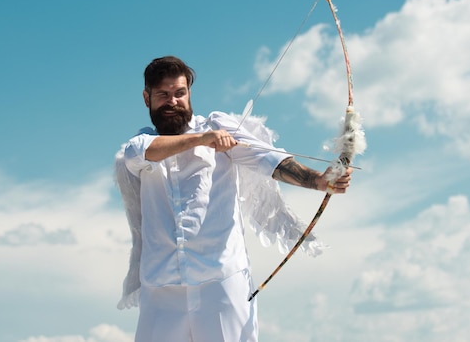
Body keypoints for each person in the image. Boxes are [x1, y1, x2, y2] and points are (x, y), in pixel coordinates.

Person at [114, 56, 352, 342]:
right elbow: (141, 153)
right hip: (162, 291)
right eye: (163, 95)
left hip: (222, 285)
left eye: (180, 93)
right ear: (146, 98)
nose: (173, 101)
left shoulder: (217, 126)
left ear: (189, 94)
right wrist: (201, 140)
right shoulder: (141, 143)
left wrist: (316, 180)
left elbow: (267, 159)